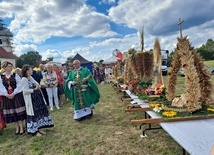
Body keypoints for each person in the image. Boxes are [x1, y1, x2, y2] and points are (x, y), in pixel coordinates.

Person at [21, 64, 54, 137]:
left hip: (37, 99)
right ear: (26, 71)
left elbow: (37, 84)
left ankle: (38, 128)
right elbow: (25, 91)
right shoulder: (24, 79)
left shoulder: (30, 78)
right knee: (34, 115)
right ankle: (34, 131)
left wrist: (38, 86)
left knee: (38, 114)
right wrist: (33, 89)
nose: (32, 71)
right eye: (30, 69)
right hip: (32, 100)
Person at [0, 61, 26, 135]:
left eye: (11, 66)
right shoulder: (1, 77)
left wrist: (13, 93)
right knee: (12, 113)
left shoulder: (15, 75)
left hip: (16, 96)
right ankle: (17, 128)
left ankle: (21, 127)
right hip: (7, 97)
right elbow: (1, 87)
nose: (11, 68)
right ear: (4, 67)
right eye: (9, 66)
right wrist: (7, 94)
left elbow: (19, 85)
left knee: (18, 112)